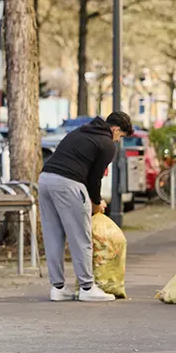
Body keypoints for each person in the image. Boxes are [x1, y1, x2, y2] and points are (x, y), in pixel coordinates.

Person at [38, 112, 134, 303]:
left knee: (53, 236)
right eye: (120, 136)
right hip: (69, 184)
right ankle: (87, 287)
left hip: (45, 180)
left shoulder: (82, 131)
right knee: (81, 236)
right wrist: (97, 203)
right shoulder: (106, 144)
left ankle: (58, 288)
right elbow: (95, 178)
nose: (117, 141)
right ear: (115, 129)